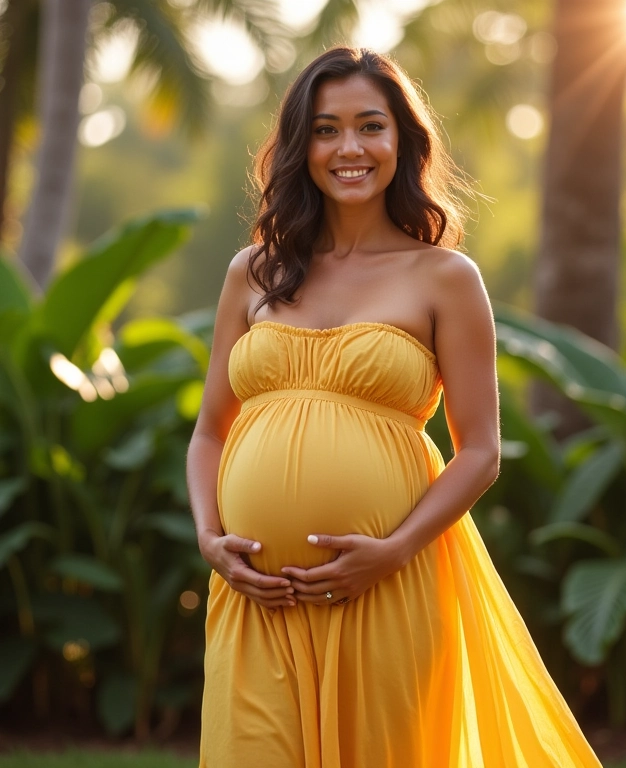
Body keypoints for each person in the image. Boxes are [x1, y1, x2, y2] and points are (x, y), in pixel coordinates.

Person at [187, 45, 602, 768]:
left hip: (386, 590)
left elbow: (480, 452)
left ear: (403, 142)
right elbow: (208, 434)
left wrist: (391, 551)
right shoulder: (252, 273)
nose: (349, 148)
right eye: (325, 129)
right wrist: (208, 538)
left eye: (370, 126)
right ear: (299, 147)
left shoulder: (444, 277)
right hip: (258, 604)